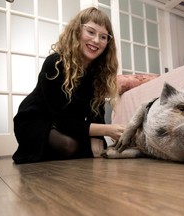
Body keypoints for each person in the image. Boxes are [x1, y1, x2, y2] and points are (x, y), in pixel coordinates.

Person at [12, 7, 125, 164]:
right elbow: (61, 120)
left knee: (99, 148)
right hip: (35, 120)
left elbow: (97, 114)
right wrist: (108, 130)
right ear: (77, 31)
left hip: (65, 125)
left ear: (108, 42)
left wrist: (99, 139)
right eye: (91, 32)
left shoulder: (98, 74)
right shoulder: (55, 63)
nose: (96, 41)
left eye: (103, 37)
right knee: (68, 145)